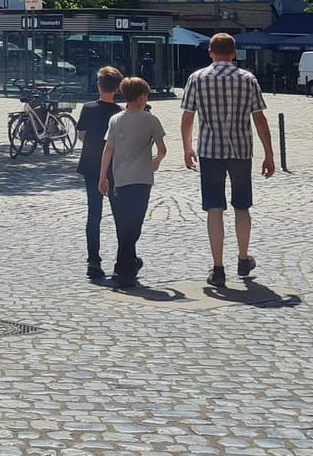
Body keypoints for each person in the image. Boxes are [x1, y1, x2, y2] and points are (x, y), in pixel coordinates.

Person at [180, 32, 273, 287]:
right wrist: (269, 153)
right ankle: (243, 258)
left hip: (210, 150)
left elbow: (187, 116)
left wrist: (188, 147)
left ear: (210, 52)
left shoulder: (197, 79)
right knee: (242, 207)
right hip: (241, 151)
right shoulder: (248, 79)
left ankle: (218, 267)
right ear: (233, 53)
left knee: (214, 208)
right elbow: (259, 119)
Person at [99, 77, 167, 288]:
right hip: (142, 179)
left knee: (123, 224)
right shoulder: (151, 120)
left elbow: (108, 149)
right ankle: (126, 266)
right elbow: (162, 148)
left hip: (119, 178)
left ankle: (126, 265)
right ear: (141, 97)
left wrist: (102, 176)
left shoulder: (116, 119)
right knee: (134, 224)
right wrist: (156, 161)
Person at [74, 65, 124, 282]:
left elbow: (81, 135)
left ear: (98, 86)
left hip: (91, 163)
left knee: (94, 212)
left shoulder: (88, 108)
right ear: (118, 88)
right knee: (120, 214)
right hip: (114, 166)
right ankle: (123, 260)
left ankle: (93, 260)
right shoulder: (120, 112)